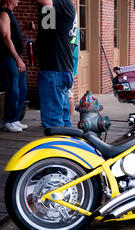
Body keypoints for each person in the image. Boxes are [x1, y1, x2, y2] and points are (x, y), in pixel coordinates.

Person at [36, 0, 77, 129]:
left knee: (53, 125)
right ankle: (66, 146)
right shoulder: (58, 8)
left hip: (54, 71)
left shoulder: (63, 3)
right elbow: (48, 32)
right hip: (58, 70)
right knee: (63, 123)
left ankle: (59, 147)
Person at [0, 0, 32, 132]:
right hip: (9, 58)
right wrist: (17, 59)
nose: (19, 0)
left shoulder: (11, 14)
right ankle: (9, 120)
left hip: (16, 57)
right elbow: (6, 38)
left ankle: (15, 118)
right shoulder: (3, 14)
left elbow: (14, 37)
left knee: (22, 88)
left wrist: (25, 29)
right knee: (13, 89)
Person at [68, 28, 79, 122]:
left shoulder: (74, 30)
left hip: (69, 67)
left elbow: (71, 48)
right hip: (68, 67)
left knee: (69, 95)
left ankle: (69, 121)